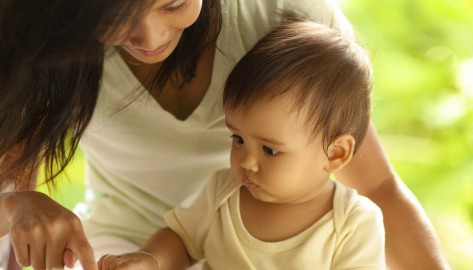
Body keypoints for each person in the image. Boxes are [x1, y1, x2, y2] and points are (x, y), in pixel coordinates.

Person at [0, 0, 449, 269]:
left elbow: (377, 186)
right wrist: (15, 204)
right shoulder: (43, 40)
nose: (150, 36)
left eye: (173, 2)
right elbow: (179, 236)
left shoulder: (279, 15)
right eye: (116, 12)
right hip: (125, 246)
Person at [97, 20, 386, 270]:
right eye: (238, 139)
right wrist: (151, 260)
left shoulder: (352, 223)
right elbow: (181, 240)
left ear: (335, 154)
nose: (246, 161)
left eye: (270, 150)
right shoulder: (223, 193)